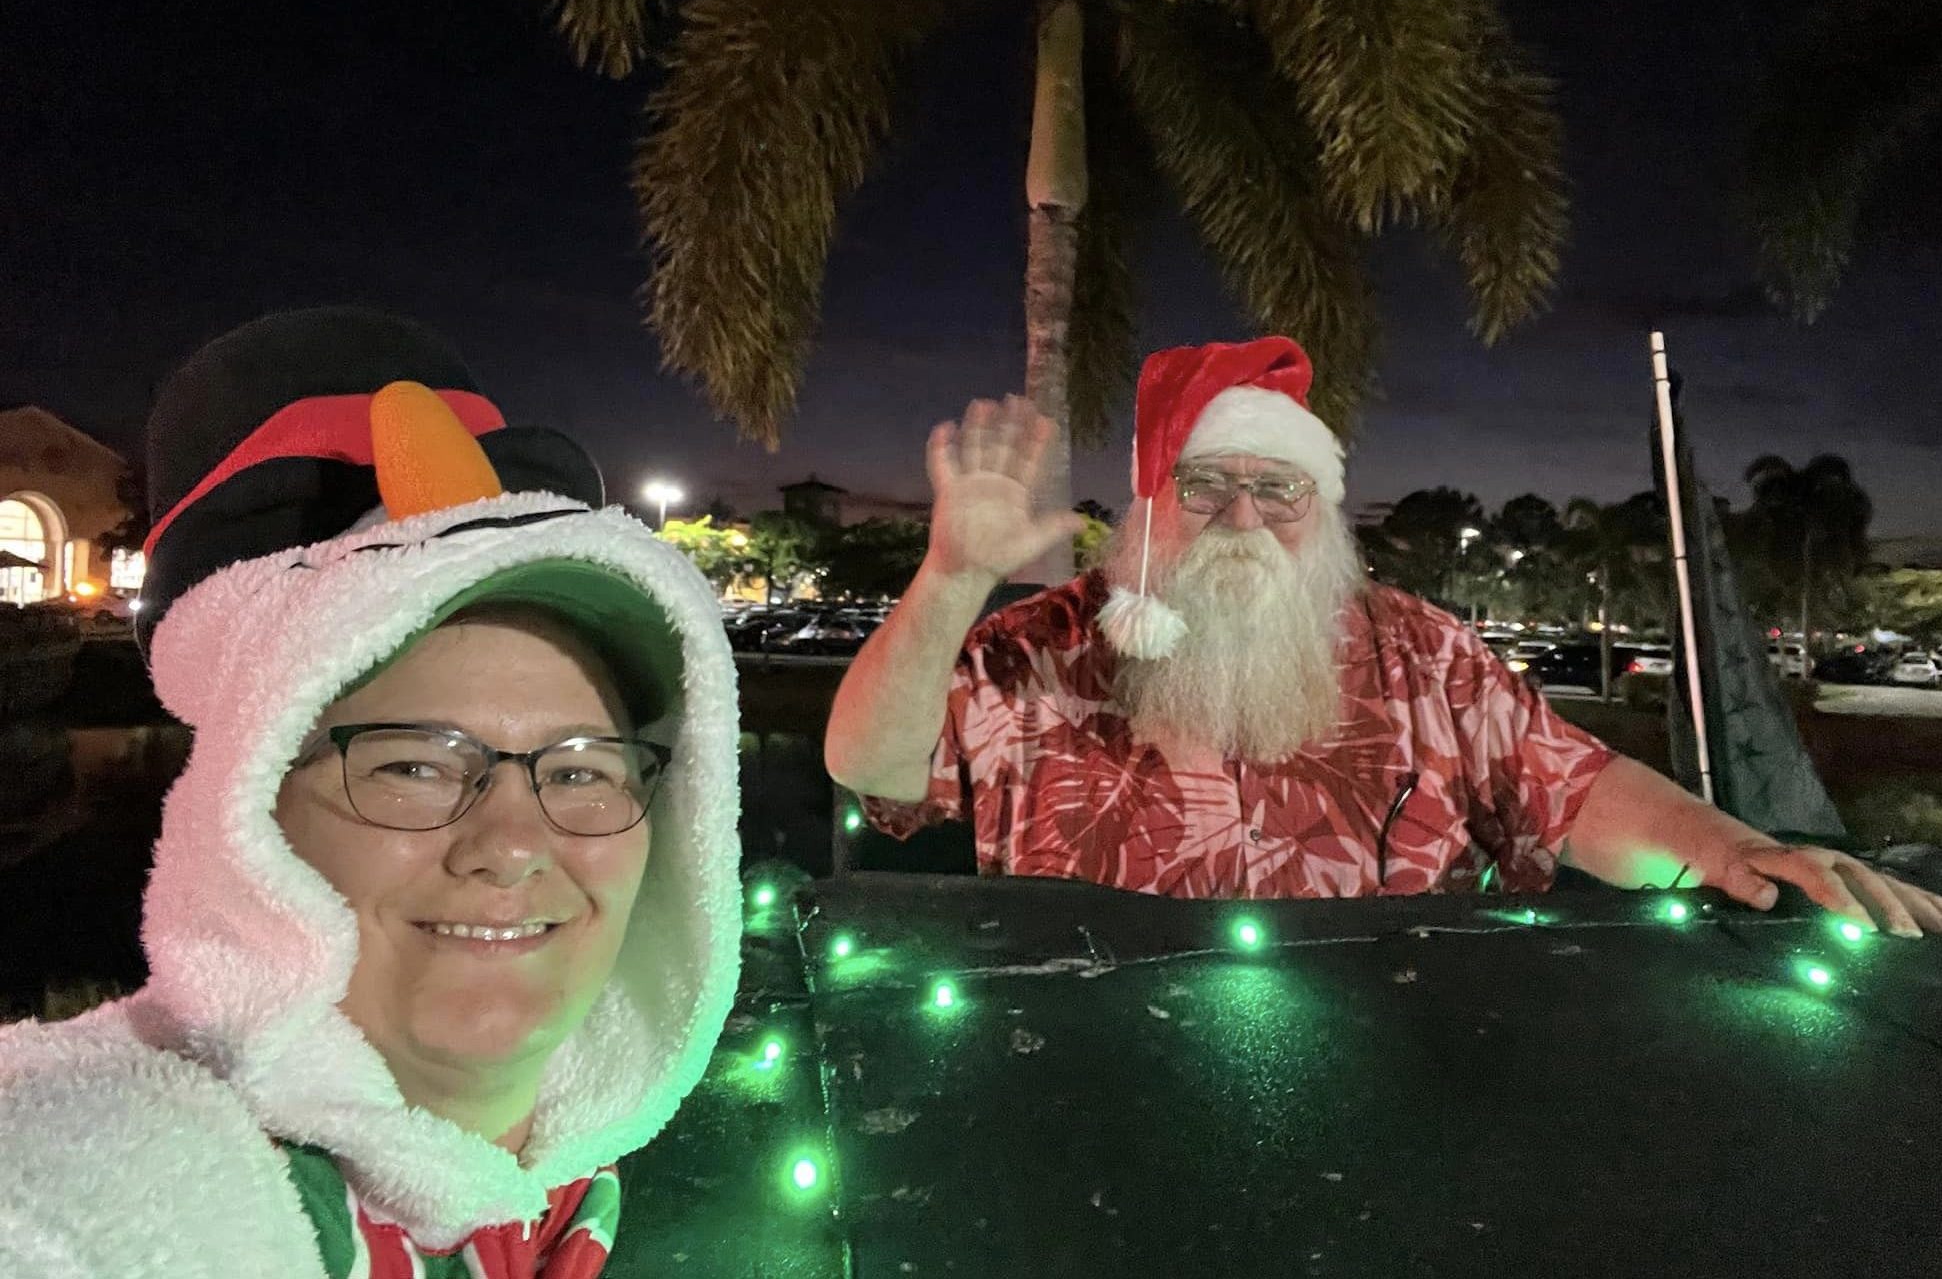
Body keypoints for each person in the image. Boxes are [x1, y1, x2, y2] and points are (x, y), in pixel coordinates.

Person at [0, 309, 742, 1277]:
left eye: (578, 770)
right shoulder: (111, 1177)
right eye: (415, 764)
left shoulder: (605, 1188)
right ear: (246, 817)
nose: (512, 842)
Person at [826, 336, 1942, 933]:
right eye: (1208, 483)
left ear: (1321, 515)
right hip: (1085, 1079)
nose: (1246, 518)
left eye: (1282, 489)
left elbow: (1572, 788)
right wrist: (949, 575)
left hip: (1405, 1092)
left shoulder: (1424, 655)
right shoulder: (1042, 649)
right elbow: (868, 762)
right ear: (1154, 503)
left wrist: (1729, 852)